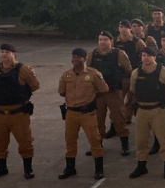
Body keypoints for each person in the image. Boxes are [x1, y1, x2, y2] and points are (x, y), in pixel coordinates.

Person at [0, 43, 40, 180]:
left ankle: (28, 168)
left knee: (25, 141)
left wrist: (21, 95)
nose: (4, 54)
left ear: (14, 54)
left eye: (7, 52)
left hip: (18, 113)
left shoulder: (23, 69)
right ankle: (1, 167)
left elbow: (34, 85)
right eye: (2, 52)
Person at [57, 48, 110, 180]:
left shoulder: (93, 74)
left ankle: (99, 169)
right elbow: (62, 92)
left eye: (78, 57)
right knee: (70, 140)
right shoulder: (66, 75)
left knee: (94, 140)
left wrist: (91, 99)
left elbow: (104, 89)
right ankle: (70, 168)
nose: (75, 59)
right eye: (73, 57)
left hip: (87, 113)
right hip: (71, 113)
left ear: (84, 58)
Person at [128, 46, 165, 179]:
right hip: (142, 110)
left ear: (154, 57)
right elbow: (132, 91)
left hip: (158, 110)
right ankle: (141, 165)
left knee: (163, 140)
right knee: (141, 140)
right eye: (143, 55)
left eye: (148, 56)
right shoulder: (136, 73)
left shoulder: (164, 72)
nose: (145, 58)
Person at [86, 31, 133, 157]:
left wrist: (120, 82)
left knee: (119, 119)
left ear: (111, 41)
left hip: (114, 92)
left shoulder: (119, 54)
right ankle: (98, 145)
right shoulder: (92, 55)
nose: (102, 42)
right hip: (98, 94)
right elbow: (87, 72)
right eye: (100, 39)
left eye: (105, 39)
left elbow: (128, 70)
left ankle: (125, 145)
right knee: (97, 120)